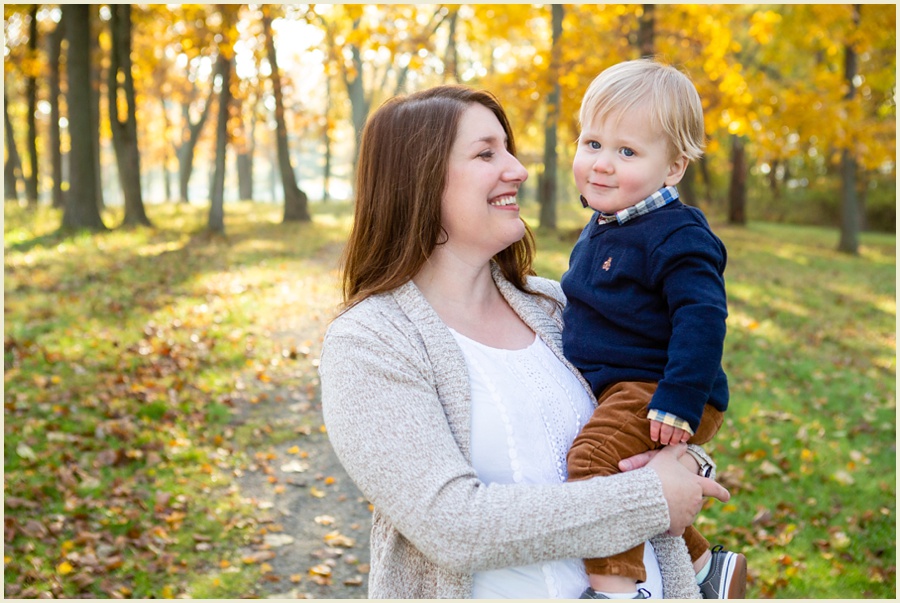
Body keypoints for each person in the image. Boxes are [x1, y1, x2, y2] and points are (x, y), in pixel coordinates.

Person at [319, 84, 730, 599]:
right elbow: (454, 527)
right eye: (487, 153)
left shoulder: (553, 306)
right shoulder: (371, 342)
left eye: (509, 150)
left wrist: (689, 465)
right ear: (418, 180)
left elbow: (643, 405)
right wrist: (648, 497)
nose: (517, 169)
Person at [560, 59, 747, 599]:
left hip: (663, 388)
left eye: (627, 151)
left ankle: (615, 588)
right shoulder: (604, 225)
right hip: (628, 386)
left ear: (673, 168)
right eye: (592, 143)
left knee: (595, 462)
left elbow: (703, 317)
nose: (601, 164)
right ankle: (705, 566)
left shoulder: (676, 233)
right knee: (628, 474)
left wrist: (679, 401)